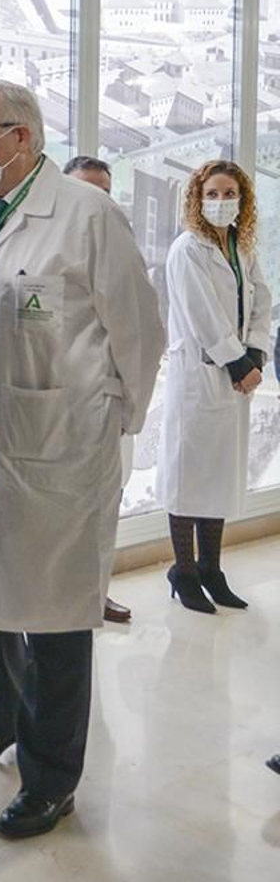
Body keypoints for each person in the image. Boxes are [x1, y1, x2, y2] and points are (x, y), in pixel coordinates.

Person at [0, 81, 163, 842]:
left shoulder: (86, 215)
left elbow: (140, 332)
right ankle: (1, 714)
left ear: (23, 137)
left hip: (63, 449)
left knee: (58, 618)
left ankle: (51, 778)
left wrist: (114, 423)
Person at [158, 160, 270, 613]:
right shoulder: (188, 249)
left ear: (242, 200)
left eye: (229, 194)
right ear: (197, 198)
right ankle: (184, 572)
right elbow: (200, 313)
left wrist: (256, 352)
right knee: (188, 478)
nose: (221, 202)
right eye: (212, 194)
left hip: (233, 380)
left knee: (219, 477)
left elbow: (261, 300)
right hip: (199, 378)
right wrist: (237, 361)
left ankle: (211, 570)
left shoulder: (241, 247)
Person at [63, 153, 138, 625]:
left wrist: (131, 405)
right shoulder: (47, 241)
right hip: (54, 406)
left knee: (104, 508)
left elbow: (138, 331)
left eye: (104, 192)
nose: (97, 201)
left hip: (106, 400)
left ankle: (97, 590)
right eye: (86, 190)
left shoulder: (117, 241)